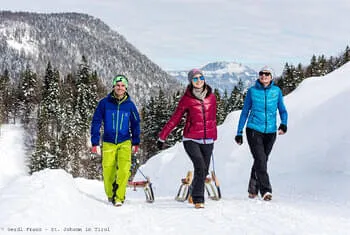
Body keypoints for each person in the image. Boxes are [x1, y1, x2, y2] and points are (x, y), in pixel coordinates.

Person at [157, 68, 217, 209]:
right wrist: (162, 137)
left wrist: (213, 133)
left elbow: (213, 118)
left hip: (208, 140)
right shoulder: (186, 99)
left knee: (203, 170)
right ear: (191, 81)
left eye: (200, 77)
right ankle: (198, 199)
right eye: (195, 78)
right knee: (200, 166)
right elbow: (175, 118)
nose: (198, 81)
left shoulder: (211, 97)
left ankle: (192, 191)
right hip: (191, 139)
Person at [235, 66, 288, 201]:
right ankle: (266, 190)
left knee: (262, 160)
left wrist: (284, 124)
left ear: (271, 77)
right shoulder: (252, 91)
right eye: (261, 74)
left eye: (267, 74)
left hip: (270, 132)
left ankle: (252, 189)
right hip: (253, 129)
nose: (264, 76)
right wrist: (239, 132)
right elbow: (245, 112)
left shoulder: (276, 91)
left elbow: (282, 110)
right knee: (260, 159)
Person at [91, 74, 140, 207]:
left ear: (126, 88)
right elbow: (96, 122)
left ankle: (119, 197)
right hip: (108, 141)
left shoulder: (130, 105)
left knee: (124, 170)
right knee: (108, 170)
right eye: (118, 85)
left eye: (123, 85)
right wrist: (95, 142)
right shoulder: (104, 103)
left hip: (125, 141)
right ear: (113, 86)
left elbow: (136, 123)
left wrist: (136, 142)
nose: (120, 88)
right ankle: (110, 194)